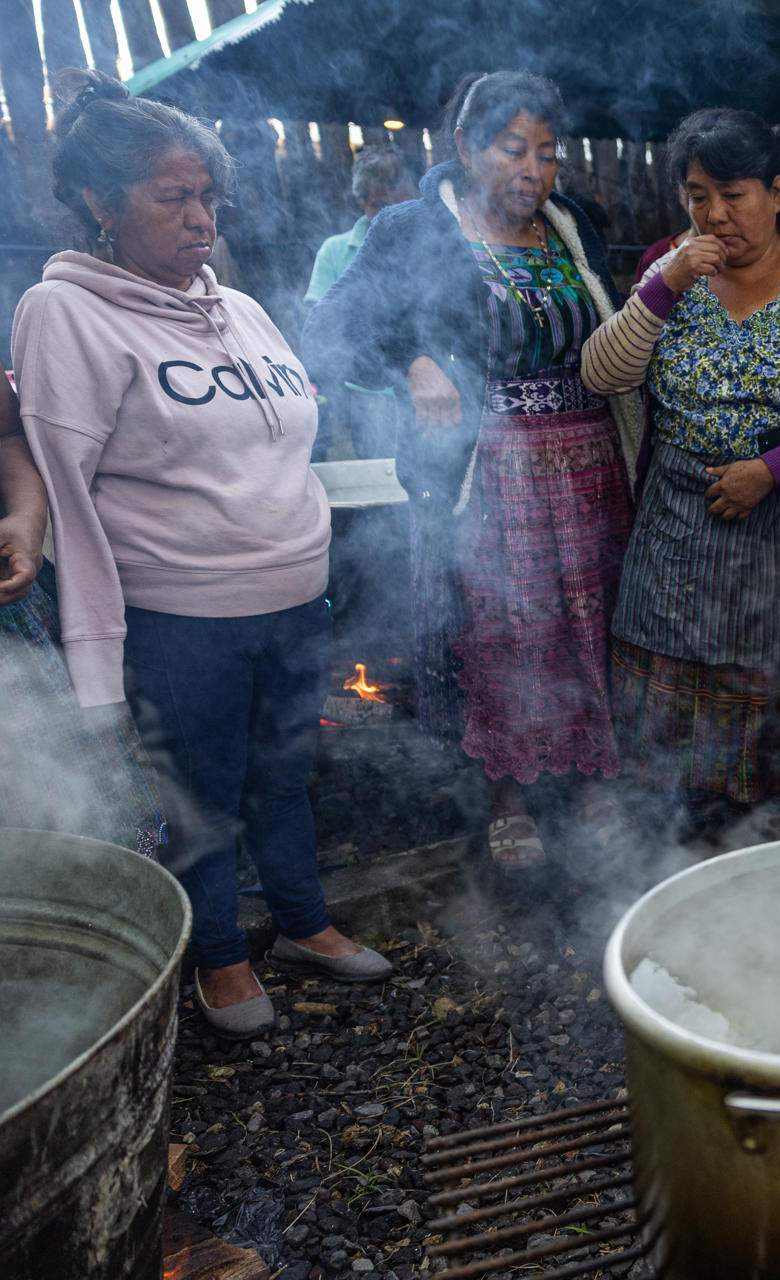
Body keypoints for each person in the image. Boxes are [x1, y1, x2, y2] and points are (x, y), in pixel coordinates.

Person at [16, 69, 393, 1037]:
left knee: (284, 772)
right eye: (172, 197)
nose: (200, 220)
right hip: (182, 619)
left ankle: (304, 920)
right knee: (202, 791)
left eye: (208, 198)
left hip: (291, 597)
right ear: (101, 203)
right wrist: (97, 662)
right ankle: (219, 955)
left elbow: (289, 436)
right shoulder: (66, 314)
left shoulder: (245, 311)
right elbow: (67, 494)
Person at [306, 72, 642, 872]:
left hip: (587, 456)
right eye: (513, 149)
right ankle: (509, 794)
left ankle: (594, 778)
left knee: (588, 623)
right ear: (464, 147)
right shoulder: (413, 229)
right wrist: (414, 360)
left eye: (547, 154)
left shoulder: (574, 226)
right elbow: (331, 326)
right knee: (501, 628)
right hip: (482, 470)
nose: (533, 171)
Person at [582, 108, 780, 828]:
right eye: (696, 196)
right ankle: (671, 859)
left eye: (733, 194)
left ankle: (770, 857)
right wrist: (665, 285)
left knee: (774, 713)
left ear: (775, 192)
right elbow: (601, 374)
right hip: (677, 524)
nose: (715, 215)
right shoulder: (669, 267)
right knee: (670, 731)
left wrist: (772, 469)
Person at [0, 370, 165, 858]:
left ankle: (105, 912)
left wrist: (26, 519)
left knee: (90, 812)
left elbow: (6, 434)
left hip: (11, 608)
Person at [304, 145, 417, 462]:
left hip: (425, 397)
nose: (383, 215)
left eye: (393, 204)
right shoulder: (335, 251)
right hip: (361, 401)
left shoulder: (432, 249)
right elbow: (320, 327)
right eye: (374, 205)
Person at [304, 144, 416, 308]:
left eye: (401, 205)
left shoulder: (436, 245)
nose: (393, 215)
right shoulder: (333, 251)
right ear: (362, 202)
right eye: (382, 206)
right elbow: (317, 320)